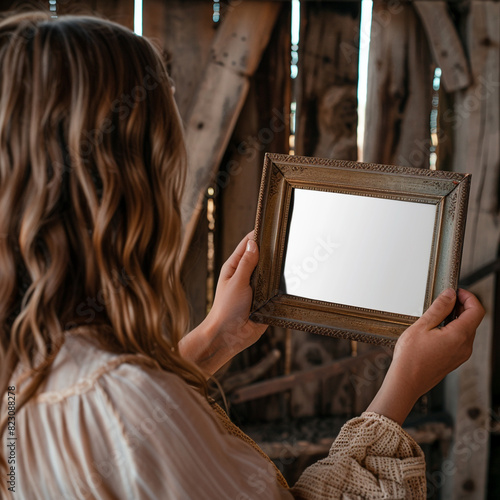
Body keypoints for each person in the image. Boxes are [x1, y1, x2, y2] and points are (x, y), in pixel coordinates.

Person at [0, 11, 484, 500]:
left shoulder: (23, 368)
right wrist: (403, 387)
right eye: (168, 152)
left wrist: (215, 339)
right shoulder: (124, 409)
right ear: (130, 186)